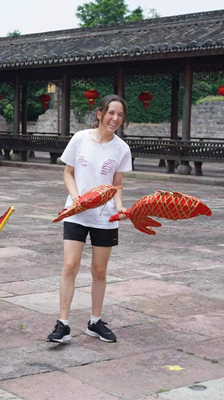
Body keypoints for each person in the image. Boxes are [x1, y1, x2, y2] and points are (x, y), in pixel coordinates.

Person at [47, 94, 132, 344]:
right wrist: (77, 200)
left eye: (120, 115)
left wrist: (120, 208)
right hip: (76, 213)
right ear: (99, 114)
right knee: (70, 265)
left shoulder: (121, 148)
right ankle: (63, 324)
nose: (115, 118)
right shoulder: (80, 138)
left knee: (99, 270)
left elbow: (116, 185)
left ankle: (95, 322)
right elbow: (68, 173)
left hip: (105, 217)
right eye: (111, 113)